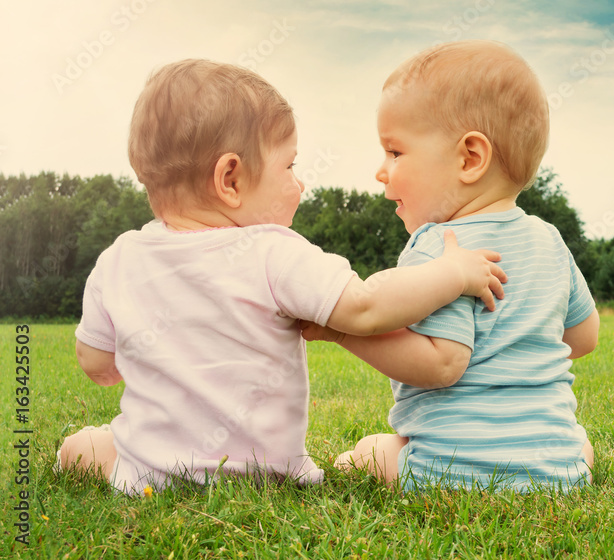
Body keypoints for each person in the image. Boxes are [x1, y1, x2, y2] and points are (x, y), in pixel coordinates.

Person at [57, 59, 506, 496]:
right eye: (289, 167)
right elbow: (366, 306)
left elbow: (96, 365)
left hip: (151, 475)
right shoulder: (274, 251)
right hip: (267, 478)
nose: (300, 185)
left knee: (84, 447)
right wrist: (450, 273)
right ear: (229, 179)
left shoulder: (119, 259)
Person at [304, 40, 600, 492]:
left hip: (445, 472)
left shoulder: (439, 246)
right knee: (580, 444)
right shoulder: (550, 240)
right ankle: (550, 464)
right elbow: (584, 337)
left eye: (395, 152)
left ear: (469, 158)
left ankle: (359, 460)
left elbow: (441, 365)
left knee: (368, 450)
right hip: (557, 473)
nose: (381, 172)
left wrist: (344, 331)